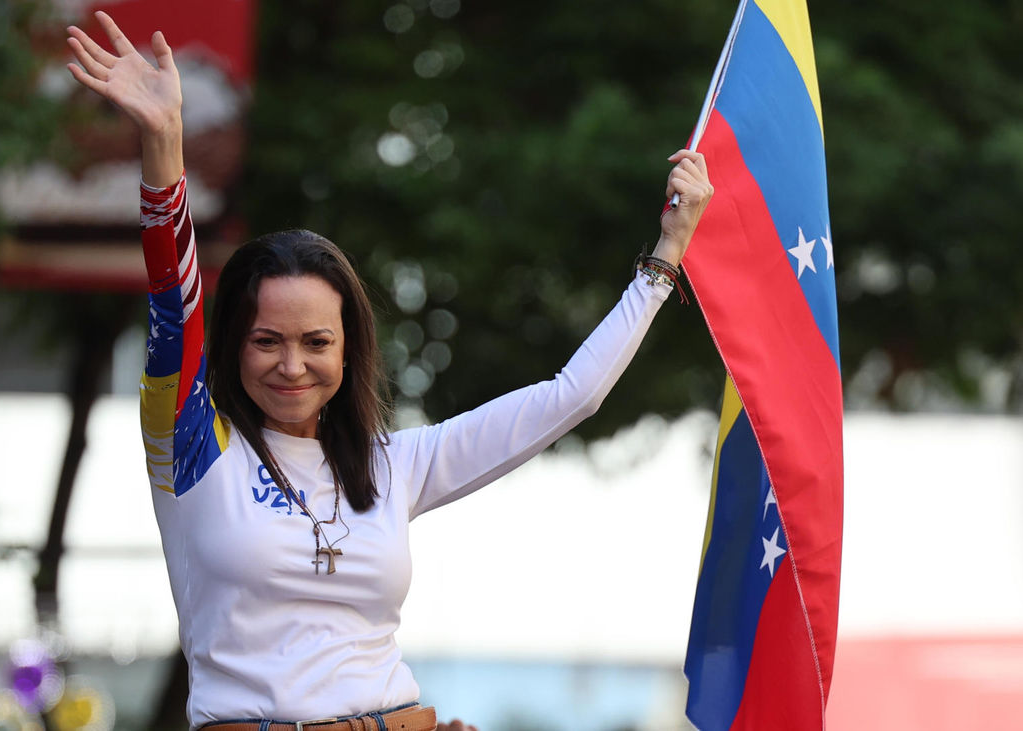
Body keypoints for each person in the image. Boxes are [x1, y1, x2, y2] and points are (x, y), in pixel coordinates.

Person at [66, 11, 712, 731]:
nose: (292, 364)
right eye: (265, 340)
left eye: (316, 341)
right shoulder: (191, 445)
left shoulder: (393, 464)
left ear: (348, 350)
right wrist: (163, 144)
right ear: (232, 348)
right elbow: (172, 304)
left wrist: (665, 257)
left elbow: (571, 397)